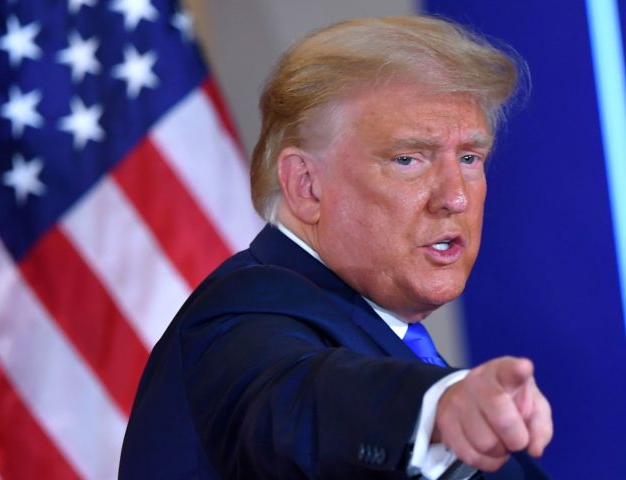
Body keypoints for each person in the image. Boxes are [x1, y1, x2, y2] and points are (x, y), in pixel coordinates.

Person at [119, 15, 553, 479]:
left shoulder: (390, 338)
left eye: (469, 157)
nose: (455, 197)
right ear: (307, 186)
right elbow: (301, 397)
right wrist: (434, 408)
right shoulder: (241, 315)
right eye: (408, 159)